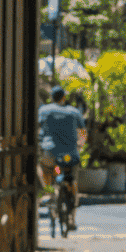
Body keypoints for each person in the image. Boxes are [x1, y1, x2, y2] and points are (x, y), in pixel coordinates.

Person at [37, 86, 85, 230]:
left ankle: (48, 190)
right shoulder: (74, 112)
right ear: (64, 97)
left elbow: (38, 128)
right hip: (70, 155)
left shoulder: (44, 110)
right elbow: (83, 133)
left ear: (51, 97)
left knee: (43, 167)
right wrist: (79, 146)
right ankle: (71, 218)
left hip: (50, 153)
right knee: (73, 182)